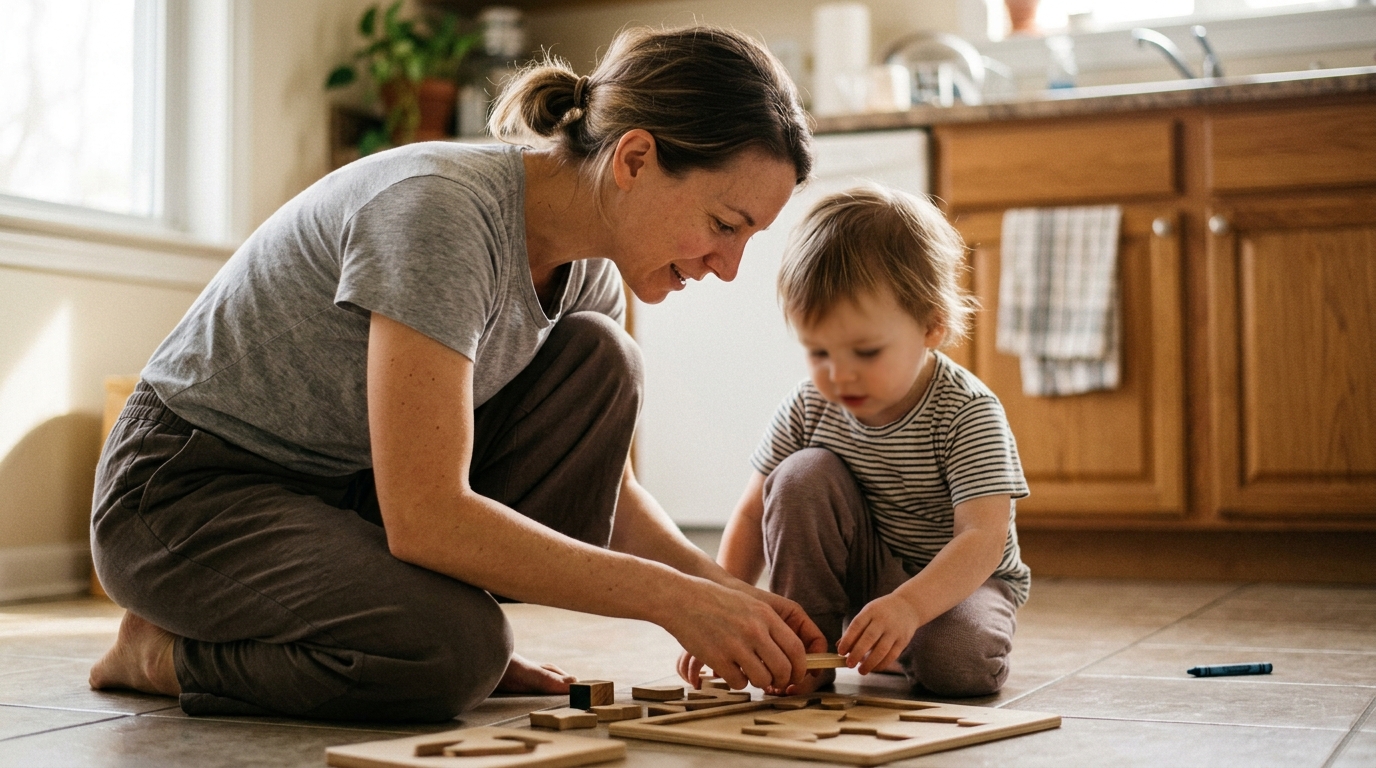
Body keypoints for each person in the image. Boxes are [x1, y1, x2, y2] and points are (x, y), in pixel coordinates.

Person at [87, 25, 826, 722]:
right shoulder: (442, 213)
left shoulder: (590, 267)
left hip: (344, 484)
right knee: (452, 654)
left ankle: (404, 619)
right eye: (725, 225)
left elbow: (612, 496)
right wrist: (671, 602)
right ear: (633, 159)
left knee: (601, 357)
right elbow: (427, 516)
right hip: (186, 492)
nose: (729, 267)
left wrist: (726, 596)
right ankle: (161, 654)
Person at [679, 187, 1031, 697]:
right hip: (862, 578)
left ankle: (906, 643)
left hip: (960, 584)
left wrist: (910, 606)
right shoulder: (808, 405)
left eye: (865, 351)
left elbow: (981, 540)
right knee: (799, 474)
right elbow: (754, 515)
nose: (839, 375)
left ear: (931, 326)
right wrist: (718, 611)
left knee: (956, 667)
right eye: (819, 351)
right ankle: (813, 647)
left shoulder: (968, 411)